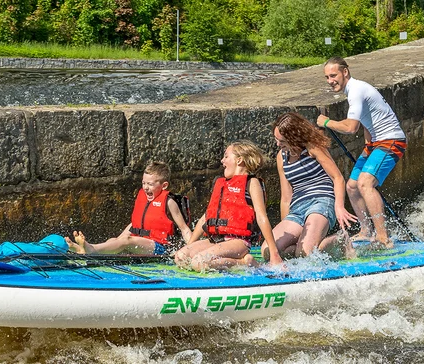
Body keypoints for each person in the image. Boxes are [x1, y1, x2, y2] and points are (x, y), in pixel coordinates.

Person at [317, 56, 408, 249]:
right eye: (326, 77)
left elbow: (351, 128)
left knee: (365, 183)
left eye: (333, 75)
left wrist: (325, 122)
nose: (330, 80)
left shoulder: (356, 90)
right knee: (352, 186)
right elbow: (369, 118)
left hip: (391, 141)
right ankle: (366, 231)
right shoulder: (356, 90)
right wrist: (368, 142)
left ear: (345, 72)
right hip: (376, 144)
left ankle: (383, 237)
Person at [174, 140, 284, 272]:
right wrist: (191, 245)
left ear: (239, 160)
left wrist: (274, 253)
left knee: (199, 263)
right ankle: (234, 261)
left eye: (226, 156)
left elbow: (261, 217)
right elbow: (206, 217)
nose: (222, 161)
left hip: (238, 242)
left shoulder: (252, 183)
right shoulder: (221, 184)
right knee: (181, 257)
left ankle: (244, 262)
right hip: (215, 239)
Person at [265, 112, 358, 260]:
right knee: (270, 251)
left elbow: (338, 178)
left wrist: (339, 206)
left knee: (304, 253)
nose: (277, 144)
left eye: (281, 140)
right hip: (297, 208)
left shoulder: (312, 147)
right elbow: (286, 197)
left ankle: (340, 240)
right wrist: (287, 227)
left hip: (321, 201)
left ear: (293, 137)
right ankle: (314, 245)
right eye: (276, 139)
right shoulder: (281, 157)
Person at [66, 161, 192, 255]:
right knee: (113, 240)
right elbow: (134, 224)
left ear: (164, 186)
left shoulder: (169, 202)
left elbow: (184, 229)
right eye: (143, 183)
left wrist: (190, 250)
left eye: (150, 184)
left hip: (160, 247)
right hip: (140, 242)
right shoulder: (143, 196)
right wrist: (119, 239)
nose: (145, 187)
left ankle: (91, 249)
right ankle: (83, 249)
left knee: (126, 241)